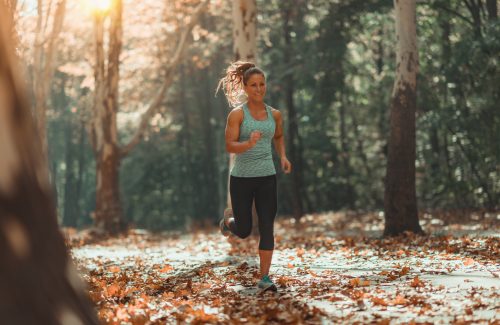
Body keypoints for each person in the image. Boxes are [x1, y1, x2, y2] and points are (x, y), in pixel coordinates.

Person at [216, 61, 291, 292]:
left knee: (267, 226)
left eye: (262, 84)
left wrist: (283, 157)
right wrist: (248, 143)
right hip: (241, 179)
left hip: (267, 176)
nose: (259, 89)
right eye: (253, 85)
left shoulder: (274, 114)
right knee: (245, 229)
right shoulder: (237, 115)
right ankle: (228, 223)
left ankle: (265, 277)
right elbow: (229, 145)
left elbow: (278, 136)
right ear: (245, 88)